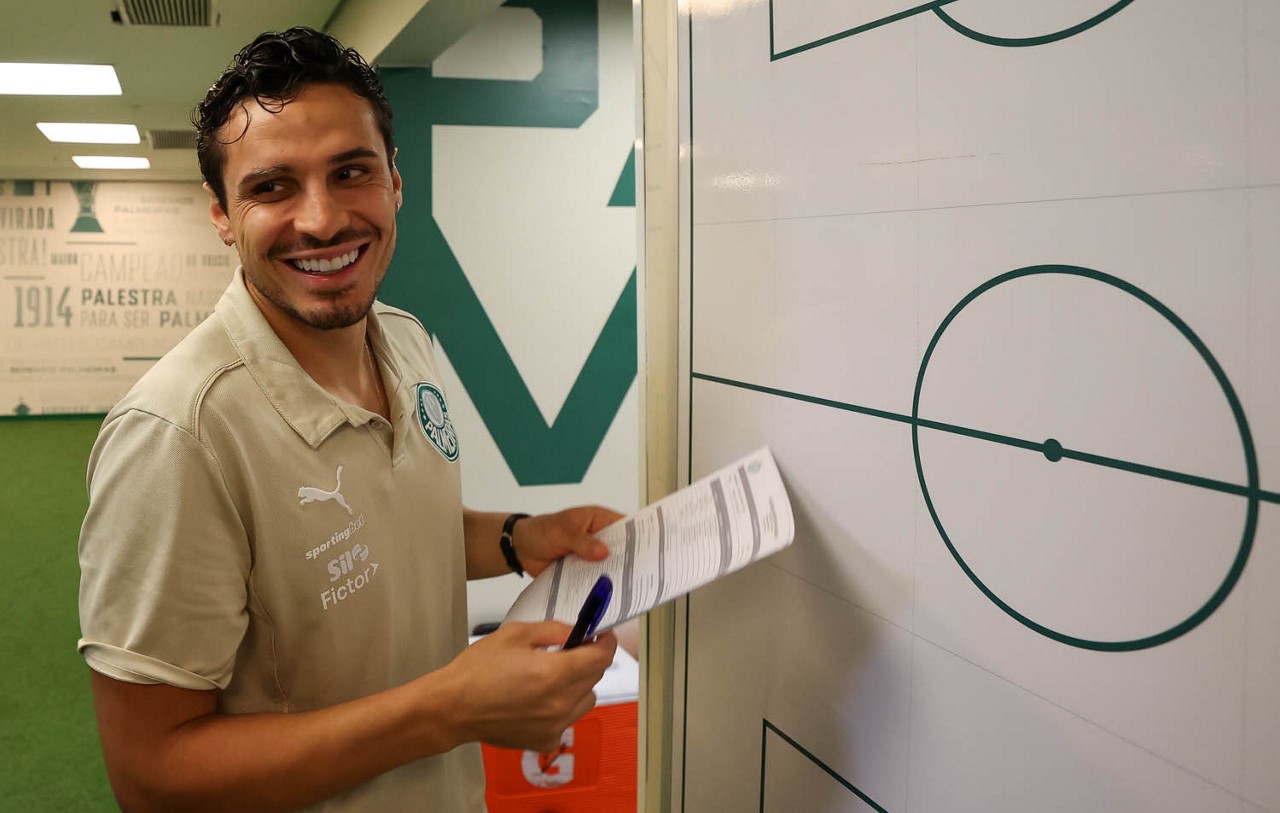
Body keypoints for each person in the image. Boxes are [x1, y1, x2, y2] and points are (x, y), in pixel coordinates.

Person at [77, 26, 619, 813]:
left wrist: (516, 537)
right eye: (272, 188)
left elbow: (387, 527)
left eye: (351, 171)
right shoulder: (177, 435)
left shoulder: (404, 339)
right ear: (222, 215)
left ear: (395, 182)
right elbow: (151, 773)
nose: (323, 219)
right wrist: (448, 707)